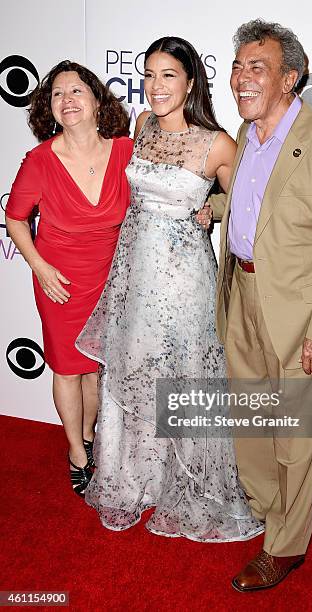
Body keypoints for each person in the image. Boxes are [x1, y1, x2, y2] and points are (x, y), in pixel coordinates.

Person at [202, 19, 312, 590]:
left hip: (302, 316)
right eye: (238, 66)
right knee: (251, 422)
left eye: (258, 68)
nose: (241, 79)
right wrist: (215, 209)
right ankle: (267, 509)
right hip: (242, 297)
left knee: (297, 436)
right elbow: (259, 205)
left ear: (290, 79)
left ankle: (285, 547)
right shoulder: (248, 134)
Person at [76, 36, 263, 542]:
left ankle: (189, 482)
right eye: (149, 75)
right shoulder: (142, 127)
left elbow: (248, 201)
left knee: (179, 375)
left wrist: (212, 209)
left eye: (168, 76)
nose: (155, 87)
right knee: (135, 365)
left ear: (190, 81)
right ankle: (137, 477)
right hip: (136, 273)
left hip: (185, 281)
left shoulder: (218, 142)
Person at [6, 61, 133, 497]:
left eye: (77, 91)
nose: (67, 100)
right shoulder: (40, 161)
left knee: (96, 370)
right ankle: (77, 455)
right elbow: (15, 219)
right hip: (59, 281)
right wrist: (40, 268)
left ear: (98, 100)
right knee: (66, 368)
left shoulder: (126, 152)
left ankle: (90, 438)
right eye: (58, 94)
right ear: (50, 108)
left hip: (110, 282)